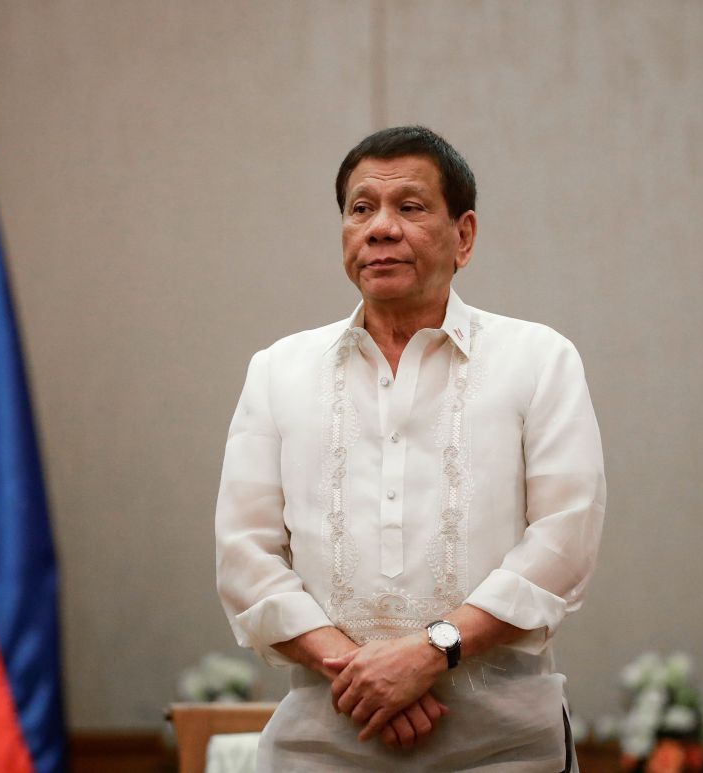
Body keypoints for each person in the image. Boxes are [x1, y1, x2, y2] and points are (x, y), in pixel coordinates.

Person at [215, 125, 606, 771]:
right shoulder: (279, 368)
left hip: (503, 745)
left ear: (465, 235)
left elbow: (564, 544)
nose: (381, 227)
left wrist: (429, 652)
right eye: (361, 208)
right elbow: (244, 553)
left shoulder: (538, 359)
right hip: (324, 741)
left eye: (411, 207)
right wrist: (362, 672)